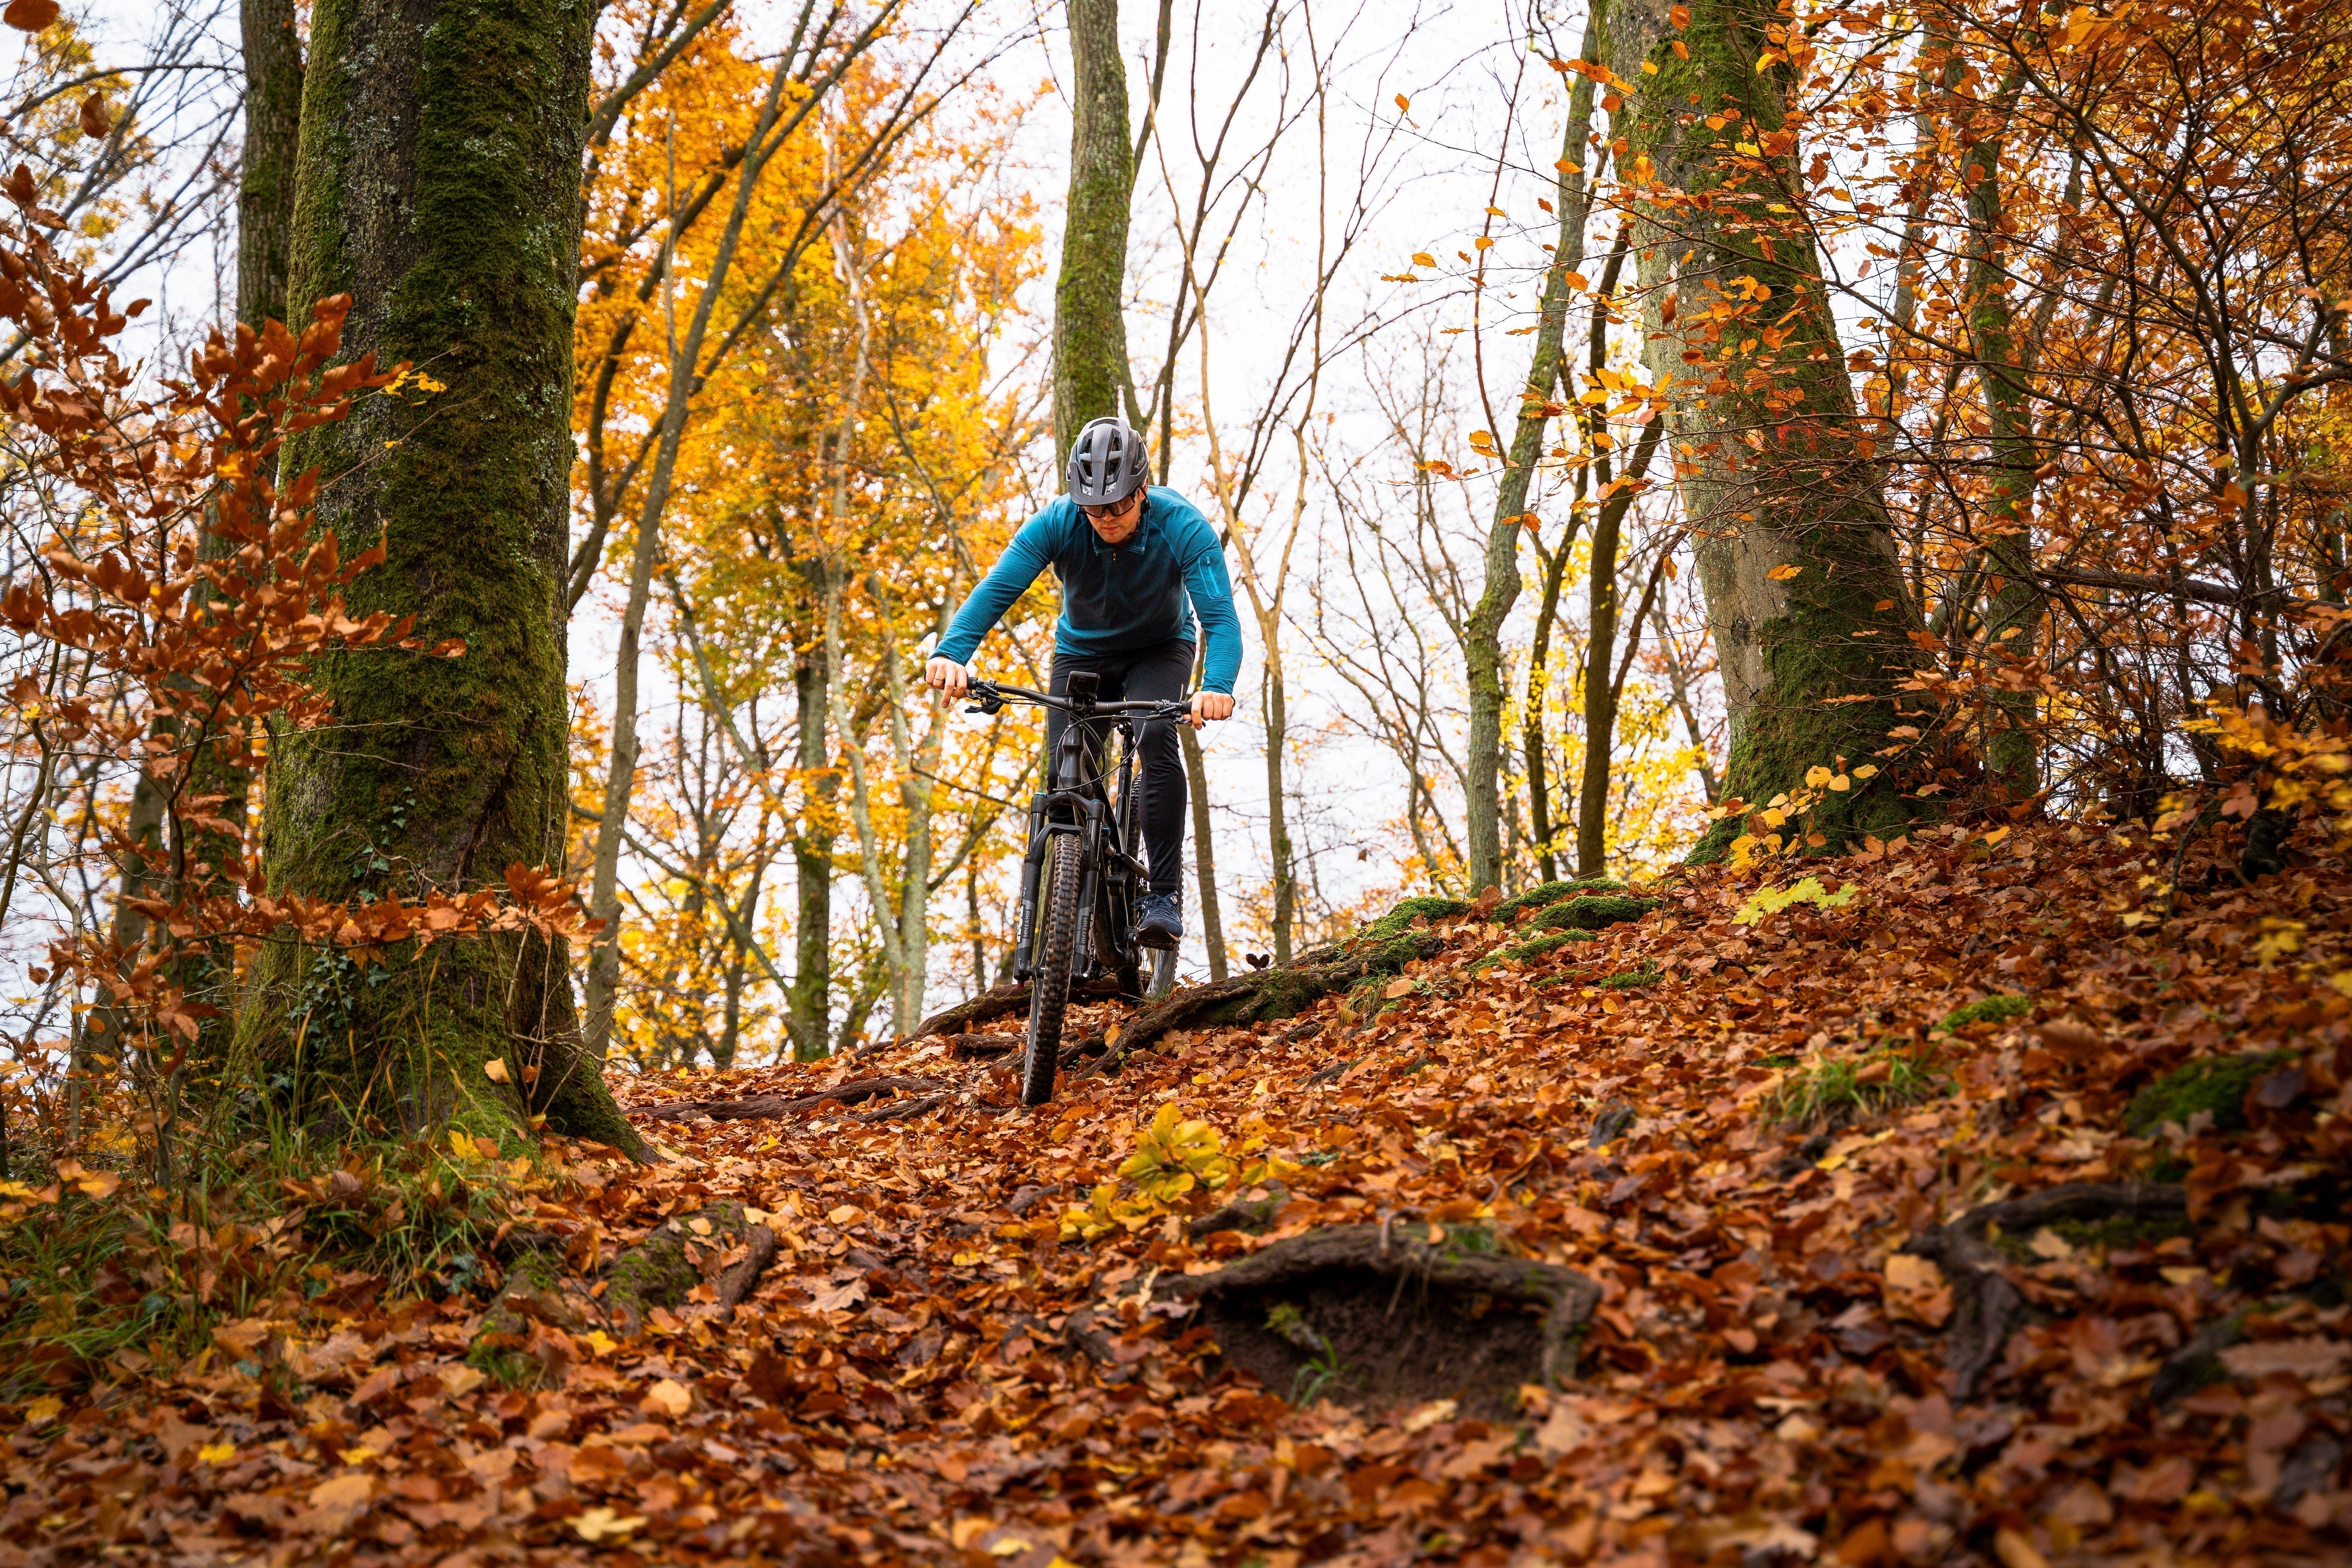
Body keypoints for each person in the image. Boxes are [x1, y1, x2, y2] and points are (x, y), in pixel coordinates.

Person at [926, 415, 1241, 949]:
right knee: (1065, 773)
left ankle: (1161, 894)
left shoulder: (1183, 524)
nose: (1106, 518)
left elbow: (1220, 618)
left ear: (1143, 491)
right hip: (1082, 653)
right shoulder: (1058, 522)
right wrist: (951, 653)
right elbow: (997, 589)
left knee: (1157, 736)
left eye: (1118, 504)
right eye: (1093, 507)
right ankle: (1069, 909)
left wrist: (1218, 684)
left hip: (1159, 649)